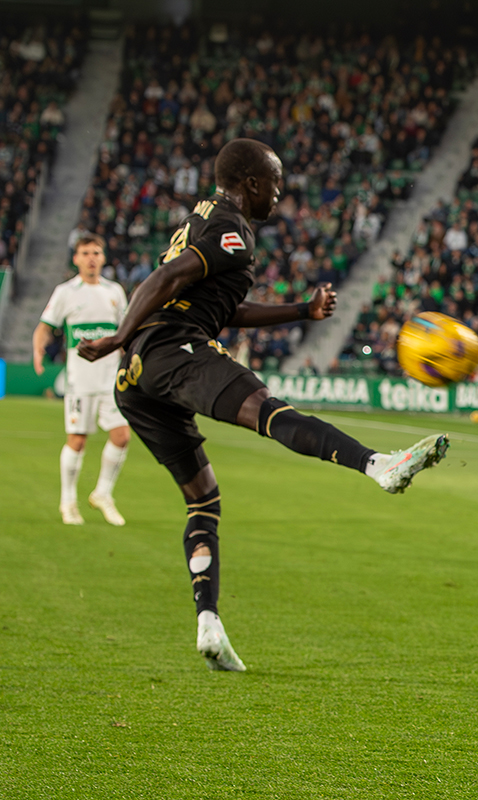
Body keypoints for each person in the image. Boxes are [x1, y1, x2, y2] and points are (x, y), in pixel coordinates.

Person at [78, 139, 450, 672]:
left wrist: (301, 309)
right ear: (252, 183)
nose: (280, 193)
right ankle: (378, 465)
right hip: (172, 349)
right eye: (275, 182)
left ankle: (209, 623)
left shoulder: (204, 216)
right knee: (270, 412)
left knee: (203, 500)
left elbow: (223, 307)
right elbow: (165, 279)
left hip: (136, 378)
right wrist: (118, 335)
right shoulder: (232, 230)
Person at [32, 234, 132, 526]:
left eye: (96, 252)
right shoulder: (66, 292)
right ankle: (68, 502)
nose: (91, 257)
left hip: (110, 379)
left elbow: (125, 333)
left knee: (122, 436)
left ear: (103, 258)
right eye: (85, 252)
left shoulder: (115, 291)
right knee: (77, 441)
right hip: (80, 381)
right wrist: (38, 349)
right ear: (76, 258)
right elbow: (44, 326)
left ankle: (102, 493)